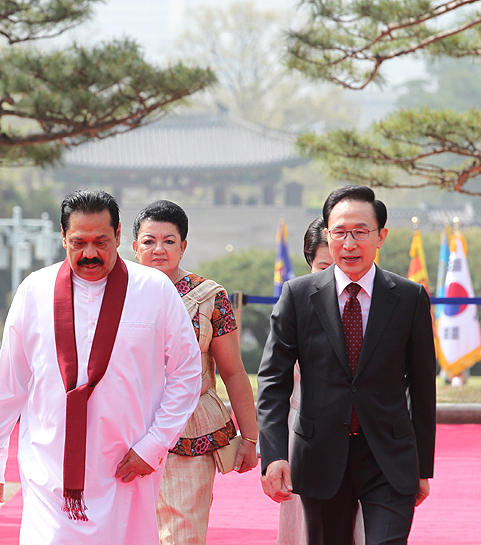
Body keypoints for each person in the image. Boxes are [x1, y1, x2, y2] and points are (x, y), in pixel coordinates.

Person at [0, 189, 202, 544]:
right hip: (47, 465)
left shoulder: (154, 289)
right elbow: (10, 382)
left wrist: (154, 445)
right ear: (63, 238)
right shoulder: (34, 290)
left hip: (126, 466)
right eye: (78, 242)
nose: (90, 253)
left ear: (117, 238)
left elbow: (186, 374)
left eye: (101, 241)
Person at [257, 186, 436, 545]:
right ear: (327, 234)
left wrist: (422, 466)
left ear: (380, 236)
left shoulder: (409, 298)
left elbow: (421, 386)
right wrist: (274, 455)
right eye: (339, 232)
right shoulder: (297, 296)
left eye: (360, 232)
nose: (349, 243)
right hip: (320, 456)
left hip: (389, 456)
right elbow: (273, 382)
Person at [131, 200, 258, 545]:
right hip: (127, 426)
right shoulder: (115, 293)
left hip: (190, 427)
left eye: (169, 241)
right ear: (134, 246)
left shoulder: (209, 298)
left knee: (182, 532)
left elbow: (232, 372)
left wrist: (249, 437)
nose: (158, 249)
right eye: (149, 241)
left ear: (183, 246)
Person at [272, 217, 365, 545]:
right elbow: (273, 381)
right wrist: (273, 453)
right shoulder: (298, 303)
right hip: (308, 437)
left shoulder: (372, 303)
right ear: (310, 263)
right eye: (324, 266)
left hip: (365, 438)